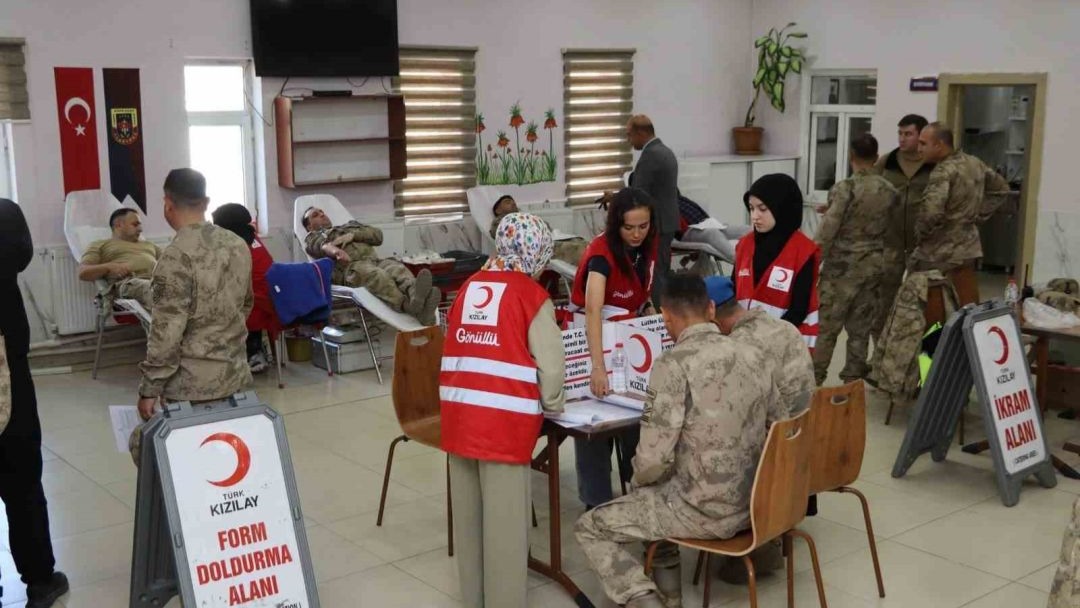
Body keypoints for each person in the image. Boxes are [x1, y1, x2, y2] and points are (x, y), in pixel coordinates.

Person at [575, 273, 779, 608]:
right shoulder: (755, 354)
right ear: (711, 308)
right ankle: (670, 595)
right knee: (656, 490)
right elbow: (777, 427)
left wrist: (637, 481)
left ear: (665, 317)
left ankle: (644, 598)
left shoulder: (673, 365)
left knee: (592, 525)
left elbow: (652, 461)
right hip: (759, 504)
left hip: (704, 512)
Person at [441, 213, 565, 608]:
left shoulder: (470, 286)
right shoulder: (531, 296)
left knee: (470, 523)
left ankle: (473, 599)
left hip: (460, 420)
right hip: (503, 425)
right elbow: (551, 367)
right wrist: (555, 405)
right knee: (505, 529)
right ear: (536, 252)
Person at [705, 274, 813, 584]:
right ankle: (768, 533)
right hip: (802, 448)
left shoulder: (738, 349)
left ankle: (751, 544)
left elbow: (729, 418)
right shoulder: (785, 327)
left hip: (770, 460)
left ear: (710, 312)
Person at [136, 169, 253, 421]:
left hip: (191, 387)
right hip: (235, 374)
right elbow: (245, 304)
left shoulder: (175, 256)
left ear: (167, 204)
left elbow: (166, 332)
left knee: (154, 450)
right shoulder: (237, 244)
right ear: (206, 202)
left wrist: (150, 388)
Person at [569, 187, 659, 509]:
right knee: (596, 423)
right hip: (595, 339)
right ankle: (596, 504)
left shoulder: (649, 245)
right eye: (628, 227)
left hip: (630, 337)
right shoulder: (600, 255)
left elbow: (641, 290)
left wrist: (649, 313)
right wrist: (597, 366)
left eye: (643, 226)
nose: (636, 234)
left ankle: (638, 491)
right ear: (614, 225)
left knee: (637, 416)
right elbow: (593, 310)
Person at [0, 199, 69, 608]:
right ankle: (41, 580)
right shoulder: (5, 216)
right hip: (8, 372)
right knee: (23, 480)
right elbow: (22, 255)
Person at [812, 134, 897, 385]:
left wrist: (813, 263)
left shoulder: (845, 188)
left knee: (827, 328)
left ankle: (815, 377)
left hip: (842, 269)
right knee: (860, 328)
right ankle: (852, 381)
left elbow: (828, 231)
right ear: (876, 156)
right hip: (873, 266)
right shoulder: (889, 191)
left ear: (851, 156)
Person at [911, 122, 1010, 306]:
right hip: (967, 247)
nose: (919, 149)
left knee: (931, 307)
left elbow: (931, 212)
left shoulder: (942, 171)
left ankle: (936, 335)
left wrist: (919, 236)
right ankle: (966, 333)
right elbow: (1001, 189)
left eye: (923, 144)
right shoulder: (974, 163)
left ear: (939, 145)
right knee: (967, 303)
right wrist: (977, 215)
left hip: (938, 252)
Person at [302, 207, 439, 325]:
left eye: (322, 212)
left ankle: (417, 299)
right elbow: (321, 246)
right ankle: (407, 305)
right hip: (351, 269)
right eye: (315, 215)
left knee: (398, 269)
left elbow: (377, 236)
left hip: (375, 261)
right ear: (309, 226)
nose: (321, 214)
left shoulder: (349, 226)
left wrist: (353, 235)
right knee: (377, 276)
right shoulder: (312, 237)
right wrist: (336, 251)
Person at [707, 275, 814, 421]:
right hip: (810, 426)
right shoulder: (786, 327)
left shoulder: (737, 346)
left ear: (711, 313)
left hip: (779, 435)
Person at [733, 173, 820, 350]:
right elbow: (734, 287)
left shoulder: (803, 250)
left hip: (786, 345)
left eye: (762, 209)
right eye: (751, 208)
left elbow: (799, 309)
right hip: (746, 342)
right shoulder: (744, 244)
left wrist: (766, 338)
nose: (755, 216)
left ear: (782, 207)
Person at [870, 114, 934, 341]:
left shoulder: (932, 164)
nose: (902, 139)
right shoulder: (888, 162)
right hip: (891, 243)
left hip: (923, 246)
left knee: (923, 301)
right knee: (883, 301)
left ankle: (920, 354)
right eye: (900, 133)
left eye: (908, 134)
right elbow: (867, 185)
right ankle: (879, 356)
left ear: (921, 135)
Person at [211, 203, 278, 374]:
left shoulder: (234, 245)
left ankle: (247, 352)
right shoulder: (253, 238)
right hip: (274, 300)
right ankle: (254, 350)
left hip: (255, 304)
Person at [626, 115, 678, 308]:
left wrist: (615, 198)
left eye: (629, 135)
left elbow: (638, 194)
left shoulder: (651, 155)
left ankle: (659, 316)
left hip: (657, 224)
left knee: (654, 273)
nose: (629, 141)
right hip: (667, 221)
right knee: (661, 270)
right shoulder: (665, 151)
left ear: (641, 133)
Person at [77, 207, 160, 308]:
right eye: (135, 224)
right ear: (118, 225)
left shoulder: (150, 245)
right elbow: (82, 273)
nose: (140, 229)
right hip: (129, 283)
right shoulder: (100, 245)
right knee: (159, 290)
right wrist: (109, 267)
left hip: (155, 281)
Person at [489, 194, 587, 266]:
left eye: (513, 201)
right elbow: (506, 236)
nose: (513, 203)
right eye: (507, 202)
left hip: (550, 239)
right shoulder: (499, 223)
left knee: (583, 243)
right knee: (577, 250)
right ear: (498, 210)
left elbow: (546, 226)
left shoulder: (525, 217)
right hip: (537, 249)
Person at [675, 191, 752, 263]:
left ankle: (762, 256)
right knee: (711, 233)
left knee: (746, 229)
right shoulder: (665, 205)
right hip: (688, 231)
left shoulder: (681, 199)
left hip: (705, 224)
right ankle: (740, 262)